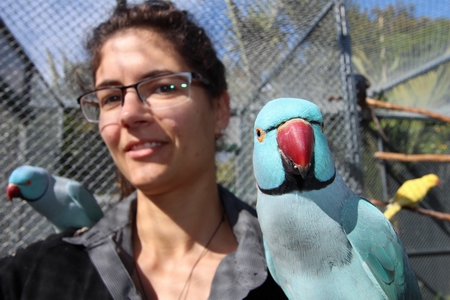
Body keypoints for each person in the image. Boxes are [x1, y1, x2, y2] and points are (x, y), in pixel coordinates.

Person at [0, 1, 287, 299]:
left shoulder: (298, 270)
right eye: (110, 98)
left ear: (220, 110)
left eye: (164, 87)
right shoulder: (32, 277)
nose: (128, 114)